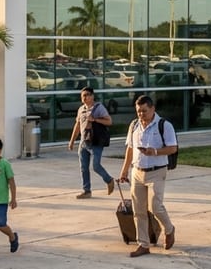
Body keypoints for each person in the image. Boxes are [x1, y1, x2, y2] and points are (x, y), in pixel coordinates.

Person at [118, 95, 177, 256]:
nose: (141, 114)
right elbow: (130, 149)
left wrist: (155, 152)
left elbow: (173, 148)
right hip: (137, 171)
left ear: (152, 109)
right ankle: (143, 244)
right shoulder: (134, 125)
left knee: (155, 207)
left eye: (144, 111)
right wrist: (124, 171)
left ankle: (169, 229)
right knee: (138, 210)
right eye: (138, 111)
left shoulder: (164, 125)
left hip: (157, 171)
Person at [67, 87, 115, 199]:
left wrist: (95, 119)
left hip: (96, 142)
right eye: (83, 95)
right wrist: (72, 141)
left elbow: (109, 121)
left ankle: (109, 180)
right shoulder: (81, 109)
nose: (85, 97)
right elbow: (77, 125)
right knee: (83, 168)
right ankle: (86, 190)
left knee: (96, 166)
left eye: (88, 95)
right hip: (84, 142)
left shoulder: (99, 108)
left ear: (93, 96)